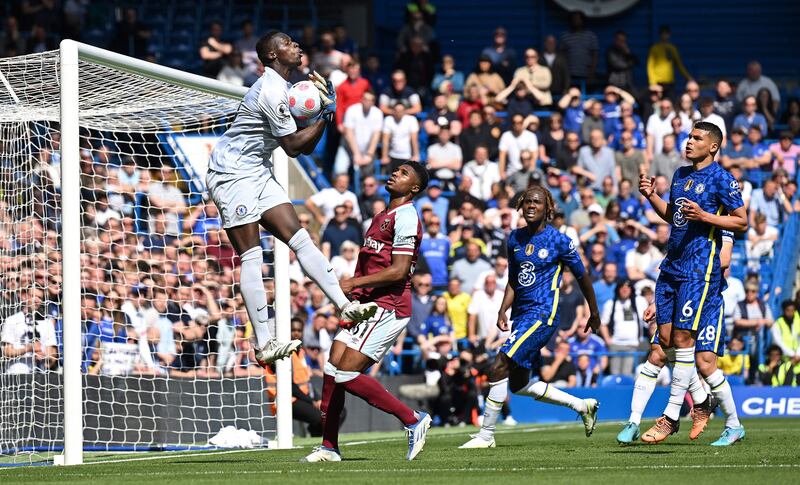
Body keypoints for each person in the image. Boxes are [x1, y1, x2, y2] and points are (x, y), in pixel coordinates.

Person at [206, 31, 378, 366]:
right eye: (287, 43)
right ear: (271, 55)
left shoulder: (283, 88)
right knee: (253, 256)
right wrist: (326, 114)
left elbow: (302, 144)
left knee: (300, 238)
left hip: (256, 169)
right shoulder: (270, 90)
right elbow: (294, 147)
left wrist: (324, 114)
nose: (296, 45)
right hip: (231, 173)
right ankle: (264, 342)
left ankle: (346, 305)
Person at [301, 162, 432, 462]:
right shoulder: (380, 216)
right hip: (367, 303)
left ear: (414, 188)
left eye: (403, 173)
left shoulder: (407, 217)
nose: (394, 174)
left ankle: (412, 419)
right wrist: (355, 298)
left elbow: (399, 271)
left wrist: (354, 282)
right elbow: (370, 262)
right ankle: (329, 447)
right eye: (395, 170)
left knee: (347, 372)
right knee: (333, 368)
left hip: (390, 304)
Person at [459, 185, 601, 449]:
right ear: (520, 207)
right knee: (518, 384)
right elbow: (514, 279)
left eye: (537, 202)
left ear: (548, 208)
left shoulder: (560, 240)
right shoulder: (514, 238)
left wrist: (594, 312)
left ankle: (486, 435)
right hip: (522, 314)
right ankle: (582, 405)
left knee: (499, 364)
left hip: (543, 314)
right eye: (527, 202)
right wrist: (503, 309)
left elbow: (583, 276)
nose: (531, 206)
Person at [637, 121, 747, 443]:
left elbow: (741, 220)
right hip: (674, 267)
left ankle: (671, 417)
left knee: (686, 341)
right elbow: (674, 217)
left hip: (700, 270)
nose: (689, 142)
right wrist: (651, 196)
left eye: (697, 138)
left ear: (712, 146)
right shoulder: (680, 175)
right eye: (689, 136)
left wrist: (707, 217)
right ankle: (716, 412)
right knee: (673, 342)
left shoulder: (722, 179)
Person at [617, 232, 746, 446]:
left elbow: (724, 261)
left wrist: (696, 258)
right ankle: (634, 421)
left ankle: (733, 425)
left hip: (707, 302)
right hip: (681, 295)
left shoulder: (719, 222)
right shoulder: (686, 219)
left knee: (705, 364)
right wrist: (659, 302)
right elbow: (672, 260)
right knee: (658, 352)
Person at [336, 91, 383, 176]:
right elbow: (349, 133)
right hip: (348, 147)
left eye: (370, 100)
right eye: (365, 99)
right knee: (339, 170)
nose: (367, 102)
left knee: (368, 176)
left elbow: (376, 135)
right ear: (361, 99)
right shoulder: (352, 110)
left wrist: (369, 154)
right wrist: (356, 154)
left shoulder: (378, 113)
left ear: (373, 102)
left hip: (367, 150)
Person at [646, 25, 691, 96]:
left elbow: (679, 65)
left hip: (670, 82)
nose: (664, 36)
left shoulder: (672, 48)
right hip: (658, 82)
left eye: (666, 34)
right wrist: (652, 82)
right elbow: (650, 66)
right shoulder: (655, 48)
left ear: (669, 35)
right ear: (660, 35)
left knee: (670, 102)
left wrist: (689, 78)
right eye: (663, 34)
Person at [560, 11, 598, 87]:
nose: (576, 21)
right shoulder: (565, 36)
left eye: (578, 19)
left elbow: (595, 55)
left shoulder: (591, 36)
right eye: (574, 19)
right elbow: (562, 56)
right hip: (570, 74)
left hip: (586, 74)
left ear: (582, 20)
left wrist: (592, 72)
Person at [498, 113, 538, 180]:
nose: (517, 125)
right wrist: (501, 173)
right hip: (511, 173)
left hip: (526, 174)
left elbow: (534, 157)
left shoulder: (531, 136)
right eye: (515, 122)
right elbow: (502, 156)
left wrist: (530, 173)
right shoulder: (506, 136)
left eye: (519, 122)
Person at [382, 103, 421, 169]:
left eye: (401, 111)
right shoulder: (388, 120)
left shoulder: (411, 120)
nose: (398, 113)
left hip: (407, 156)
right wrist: (384, 156)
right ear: (393, 111)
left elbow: (414, 139)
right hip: (393, 155)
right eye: (397, 110)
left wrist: (416, 155)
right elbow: (385, 140)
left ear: (404, 111)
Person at [771, 300, 800, 365]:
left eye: (792, 310)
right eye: (788, 310)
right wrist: (792, 354)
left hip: (798, 358)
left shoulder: (798, 321)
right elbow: (778, 342)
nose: (790, 312)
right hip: (785, 359)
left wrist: (798, 354)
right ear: (784, 310)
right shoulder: (778, 324)